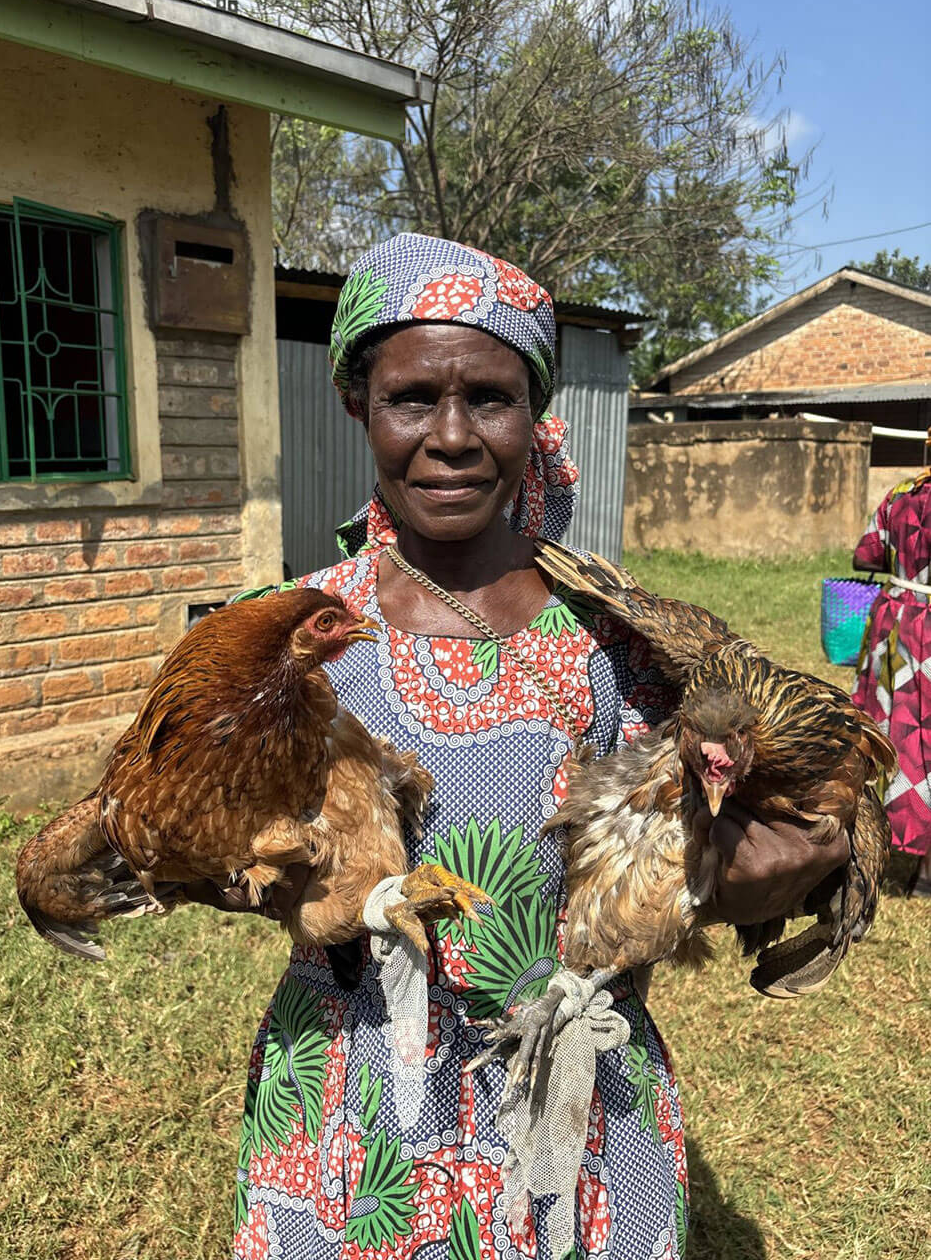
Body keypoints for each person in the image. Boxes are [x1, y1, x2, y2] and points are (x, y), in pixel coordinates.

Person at [209, 235, 847, 1260]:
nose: (451, 435)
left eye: (490, 399)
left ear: (532, 411)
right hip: (356, 1087)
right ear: (356, 405)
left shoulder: (620, 643)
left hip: (574, 1092)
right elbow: (207, 844)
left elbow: (685, 866)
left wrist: (763, 873)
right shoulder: (292, 639)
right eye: (412, 397)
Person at [852, 464, 931, 896]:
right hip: (927, 631)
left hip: (893, 625)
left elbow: (865, 554)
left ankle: (862, 844)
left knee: (884, 734)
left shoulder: (901, 493)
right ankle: (926, 871)